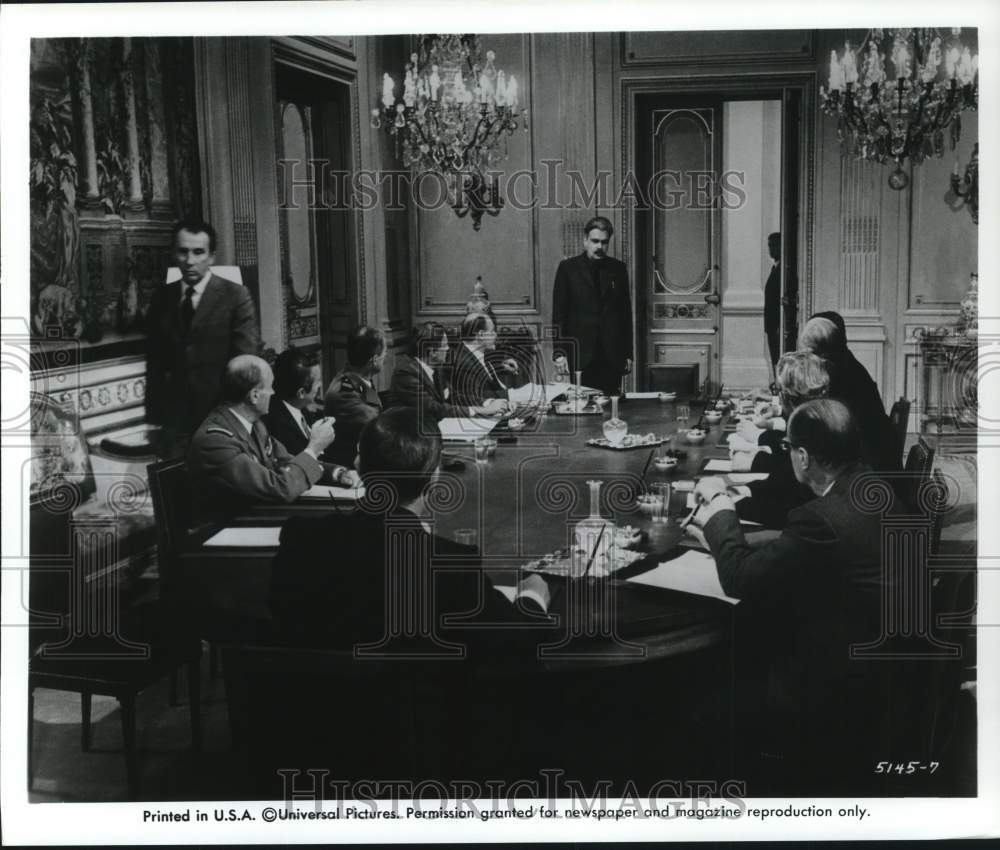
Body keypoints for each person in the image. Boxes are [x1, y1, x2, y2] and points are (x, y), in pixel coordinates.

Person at [688, 399, 894, 791]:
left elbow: (738, 579)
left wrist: (718, 508)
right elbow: (801, 547)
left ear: (802, 456)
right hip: (879, 659)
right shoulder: (870, 485)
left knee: (705, 691)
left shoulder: (819, 518)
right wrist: (729, 539)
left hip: (832, 688)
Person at [270, 407, 552, 650]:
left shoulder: (300, 539)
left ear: (359, 465)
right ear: (435, 478)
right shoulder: (451, 566)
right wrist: (532, 595)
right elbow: (519, 640)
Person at [188, 355, 356, 521]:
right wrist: (314, 447)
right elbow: (280, 489)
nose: (273, 392)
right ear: (254, 396)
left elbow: (288, 462)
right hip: (225, 532)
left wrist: (338, 473)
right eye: (269, 387)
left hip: (258, 517)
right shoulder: (216, 440)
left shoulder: (256, 426)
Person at [146, 219, 259, 456]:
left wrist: (236, 417)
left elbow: (245, 361)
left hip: (219, 418)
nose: (190, 261)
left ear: (211, 257)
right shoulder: (162, 297)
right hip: (175, 422)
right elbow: (155, 361)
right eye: (183, 252)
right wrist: (155, 419)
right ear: (173, 254)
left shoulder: (235, 295)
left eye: (198, 252)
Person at [728, 351, 827, 529]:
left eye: (778, 391)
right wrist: (745, 490)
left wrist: (726, 508)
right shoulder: (821, 420)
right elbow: (785, 480)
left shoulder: (805, 431)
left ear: (785, 398)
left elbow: (789, 508)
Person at [799, 312, 900, 472]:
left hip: (864, 470)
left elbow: (816, 425)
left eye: (809, 351)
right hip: (871, 461)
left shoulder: (833, 373)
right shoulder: (845, 362)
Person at [552, 216, 633, 393]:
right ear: (585, 240)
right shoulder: (567, 268)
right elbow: (558, 315)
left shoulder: (618, 269)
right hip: (581, 353)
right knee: (582, 405)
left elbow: (625, 314)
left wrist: (628, 354)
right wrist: (559, 353)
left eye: (604, 242)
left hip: (611, 354)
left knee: (612, 405)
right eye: (595, 241)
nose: (599, 247)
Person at [389, 322, 508, 420]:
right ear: (432, 352)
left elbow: (454, 396)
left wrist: (489, 402)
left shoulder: (436, 367)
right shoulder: (405, 373)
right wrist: (484, 410)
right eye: (445, 345)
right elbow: (433, 409)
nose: (448, 349)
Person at [323, 325, 386, 468]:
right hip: (352, 469)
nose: (385, 359)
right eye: (384, 354)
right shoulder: (345, 393)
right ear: (374, 360)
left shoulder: (357, 379)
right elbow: (378, 427)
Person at [448, 313, 512, 412]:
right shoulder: (464, 362)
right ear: (481, 335)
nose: (496, 335)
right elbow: (475, 398)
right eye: (492, 331)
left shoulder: (478, 354)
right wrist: (514, 395)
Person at [263, 348, 322, 456]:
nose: (320, 385)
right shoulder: (277, 427)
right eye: (318, 381)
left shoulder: (298, 406)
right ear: (301, 393)